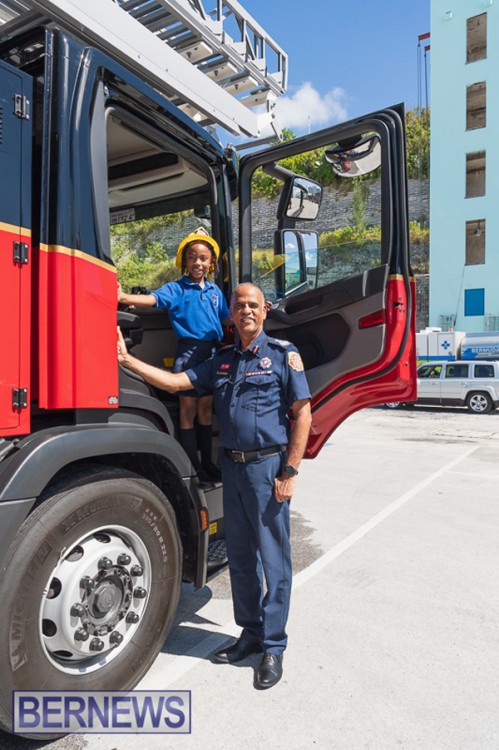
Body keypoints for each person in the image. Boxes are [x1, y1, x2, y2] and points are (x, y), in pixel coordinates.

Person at [118, 282, 312, 690]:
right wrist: (127, 361)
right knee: (240, 557)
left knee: (274, 561)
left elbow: (303, 414)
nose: (246, 311)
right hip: (233, 470)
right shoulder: (221, 360)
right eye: (239, 305)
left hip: (268, 469)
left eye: (253, 305)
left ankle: (273, 646)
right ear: (231, 314)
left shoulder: (282, 355)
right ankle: (250, 633)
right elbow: (175, 383)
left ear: (265, 310)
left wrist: (290, 472)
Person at [118, 230, 230, 488]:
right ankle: (194, 469)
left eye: (203, 258)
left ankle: (207, 464)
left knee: (205, 410)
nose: (198, 263)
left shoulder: (215, 291)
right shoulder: (176, 289)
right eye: (192, 257)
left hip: (212, 354)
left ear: (211, 262)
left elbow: (226, 317)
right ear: (184, 261)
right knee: (187, 412)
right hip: (189, 354)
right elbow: (152, 299)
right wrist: (123, 297)